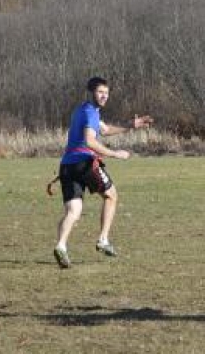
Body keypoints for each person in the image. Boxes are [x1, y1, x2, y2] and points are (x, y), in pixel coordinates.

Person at [53, 76, 153, 268]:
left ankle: (61, 246)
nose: (104, 96)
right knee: (112, 195)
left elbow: (105, 130)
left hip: (66, 165)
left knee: (73, 211)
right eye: (100, 92)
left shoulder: (82, 110)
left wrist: (131, 125)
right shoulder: (91, 113)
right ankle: (103, 240)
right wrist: (115, 154)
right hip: (84, 164)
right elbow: (90, 140)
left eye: (106, 93)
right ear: (90, 92)